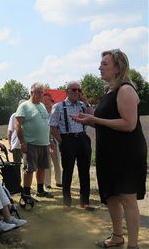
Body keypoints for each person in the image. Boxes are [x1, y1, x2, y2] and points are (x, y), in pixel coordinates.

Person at [74, 49, 147, 249]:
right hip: (109, 153)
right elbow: (106, 122)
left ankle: (133, 245)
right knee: (112, 196)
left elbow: (129, 124)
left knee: (127, 198)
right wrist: (89, 120)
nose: (99, 67)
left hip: (127, 154)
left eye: (104, 64)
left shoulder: (125, 89)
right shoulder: (109, 91)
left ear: (118, 67)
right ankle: (117, 237)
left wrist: (94, 119)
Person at [49, 81, 94, 211]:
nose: (77, 93)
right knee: (68, 172)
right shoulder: (59, 106)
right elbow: (52, 127)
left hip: (82, 139)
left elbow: (93, 118)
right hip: (67, 139)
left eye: (79, 90)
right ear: (67, 91)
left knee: (84, 171)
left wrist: (87, 102)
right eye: (74, 90)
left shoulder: (82, 105)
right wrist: (62, 142)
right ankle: (67, 203)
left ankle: (85, 202)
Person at [15, 83, 53, 199]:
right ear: (31, 93)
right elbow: (18, 125)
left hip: (44, 143)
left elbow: (46, 124)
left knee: (42, 168)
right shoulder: (24, 106)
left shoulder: (42, 105)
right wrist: (22, 142)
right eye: (37, 92)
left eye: (41, 92)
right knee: (30, 169)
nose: (40, 94)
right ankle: (26, 193)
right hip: (31, 144)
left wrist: (50, 140)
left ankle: (40, 190)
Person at [42, 93, 62, 189]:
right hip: (44, 139)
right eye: (44, 100)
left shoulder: (55, 111)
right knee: (47, 162)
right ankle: (47, 183)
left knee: (57, 161)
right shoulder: (41, 112)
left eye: (47, 100)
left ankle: (59, 181)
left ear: (51, 101)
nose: (46, 102)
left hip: (55, 138)